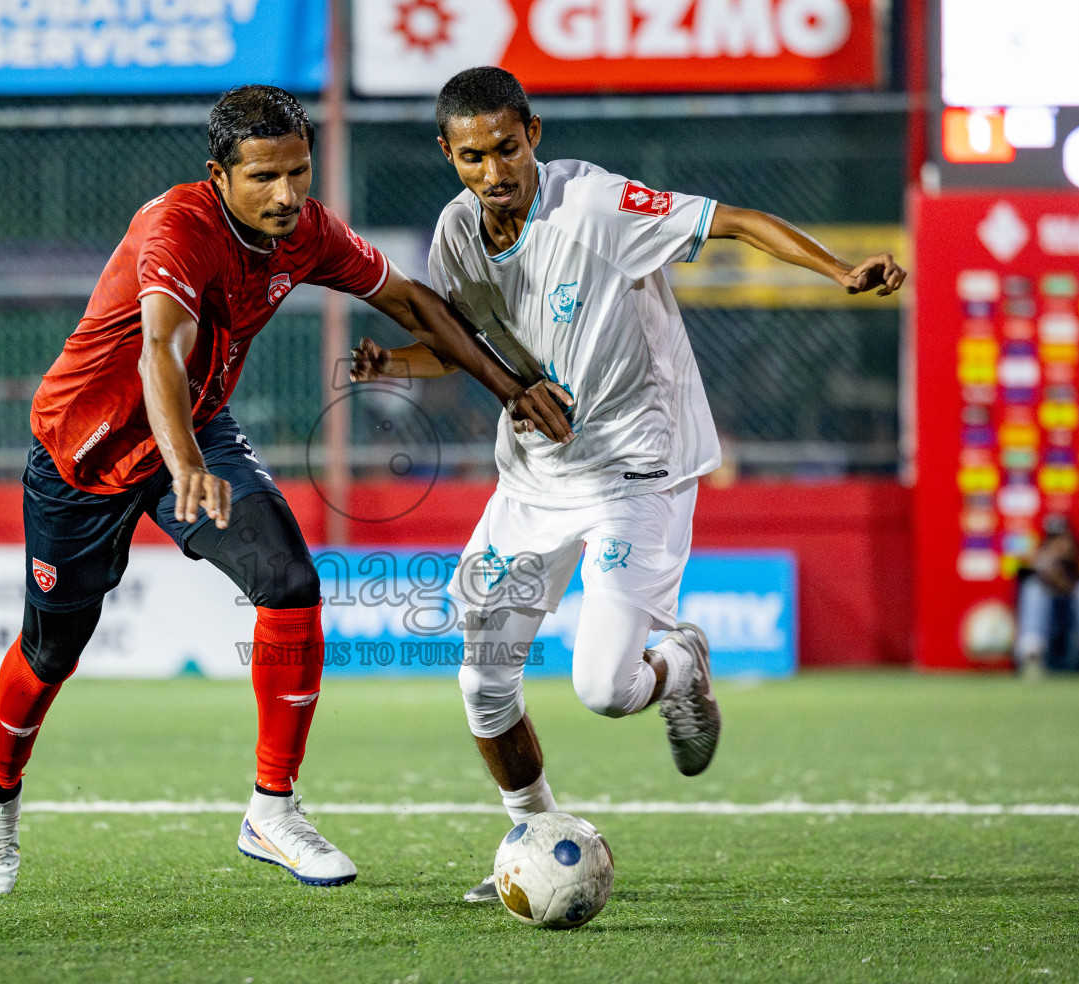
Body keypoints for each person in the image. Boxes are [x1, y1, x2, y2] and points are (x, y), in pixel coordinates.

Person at [0, 85, 574, 895]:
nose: (287, 194)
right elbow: (161, 352)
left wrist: (506, 387)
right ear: (219, 174)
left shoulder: (306, 230)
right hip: (88, 451)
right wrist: (181, 465)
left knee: (290, 581)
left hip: (200, 431)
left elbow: (410, 299)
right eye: (264, 177)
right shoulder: (177, 228)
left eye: (298, 172)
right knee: (51, 653)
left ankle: (272, 809)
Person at [351, 67, 907, 903]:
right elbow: (474, 348)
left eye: (507, 148)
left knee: (605, 688)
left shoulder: (597, 205)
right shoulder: (456, 234)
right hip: (534, 478)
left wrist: (836, 271)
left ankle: (681, 662)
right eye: (473, 157)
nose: (494, 171)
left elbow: (737, 221)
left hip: (635, 469)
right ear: (448, 154)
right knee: (481, 679)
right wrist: (395, 361)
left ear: (533, 132)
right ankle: (534, 834)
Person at [1015, 528, 1079, 679]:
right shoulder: (1039, 559)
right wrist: (1046, 565)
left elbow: (1070, 584)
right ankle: (1031, 657)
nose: (1059, 545)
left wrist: (1058, 572)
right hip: (1048, 608)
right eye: (1054, 541)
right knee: (1033, 589)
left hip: (1073, 604)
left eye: (1062, 540)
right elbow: (1032, 576)